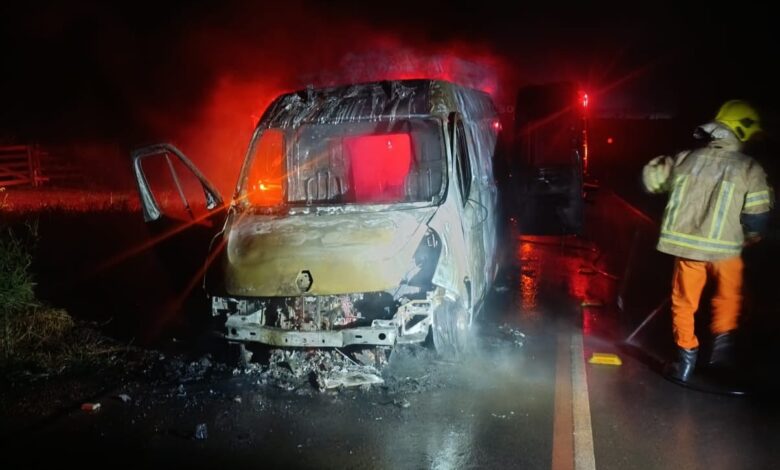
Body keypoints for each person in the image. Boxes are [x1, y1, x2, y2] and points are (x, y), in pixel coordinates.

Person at [641, 100, 773, 383]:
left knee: (684, 302)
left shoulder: (686, 158)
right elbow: (757, 218)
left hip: (688, 248)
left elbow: (653, 181)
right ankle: (721, 355)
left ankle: (685, 363)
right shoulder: (749, 168)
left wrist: (660, 167)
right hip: (727, 251)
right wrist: (751, 238)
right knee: (728, 295)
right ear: (742, 131)